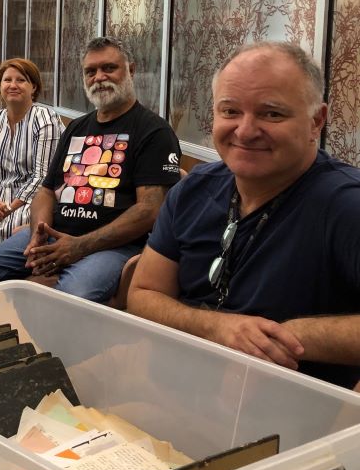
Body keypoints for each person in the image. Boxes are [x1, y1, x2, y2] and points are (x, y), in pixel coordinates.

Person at [128, 42, 360, 388]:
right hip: (171, 392)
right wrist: (219, 327)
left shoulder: (346, 205)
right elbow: (142, 294)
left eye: (272, 114)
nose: (246, 130)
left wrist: (294, 335)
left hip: (291, 420)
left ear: (317, 121)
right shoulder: (191, 192)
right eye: (230, 111)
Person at [0, 37, 182, 303]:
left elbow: (150, 210)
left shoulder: (153, 131)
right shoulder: (77, 128)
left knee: (72, 300)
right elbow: (47, 190)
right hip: (54, 235)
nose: (99, 77)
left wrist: (78, 246)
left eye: (109, 68)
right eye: (91, 71)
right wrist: (39, 230)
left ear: (130, 70)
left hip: (113, 246)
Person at [0, 59, 63, 255]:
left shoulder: (45, 120)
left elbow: (41, 177)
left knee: (12, 225)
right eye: (7, 80)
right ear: (0, 87)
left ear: (34, 87)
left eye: (21, 80)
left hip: (35, 198)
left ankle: (7, 272)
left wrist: (8, 208)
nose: (13, 85)